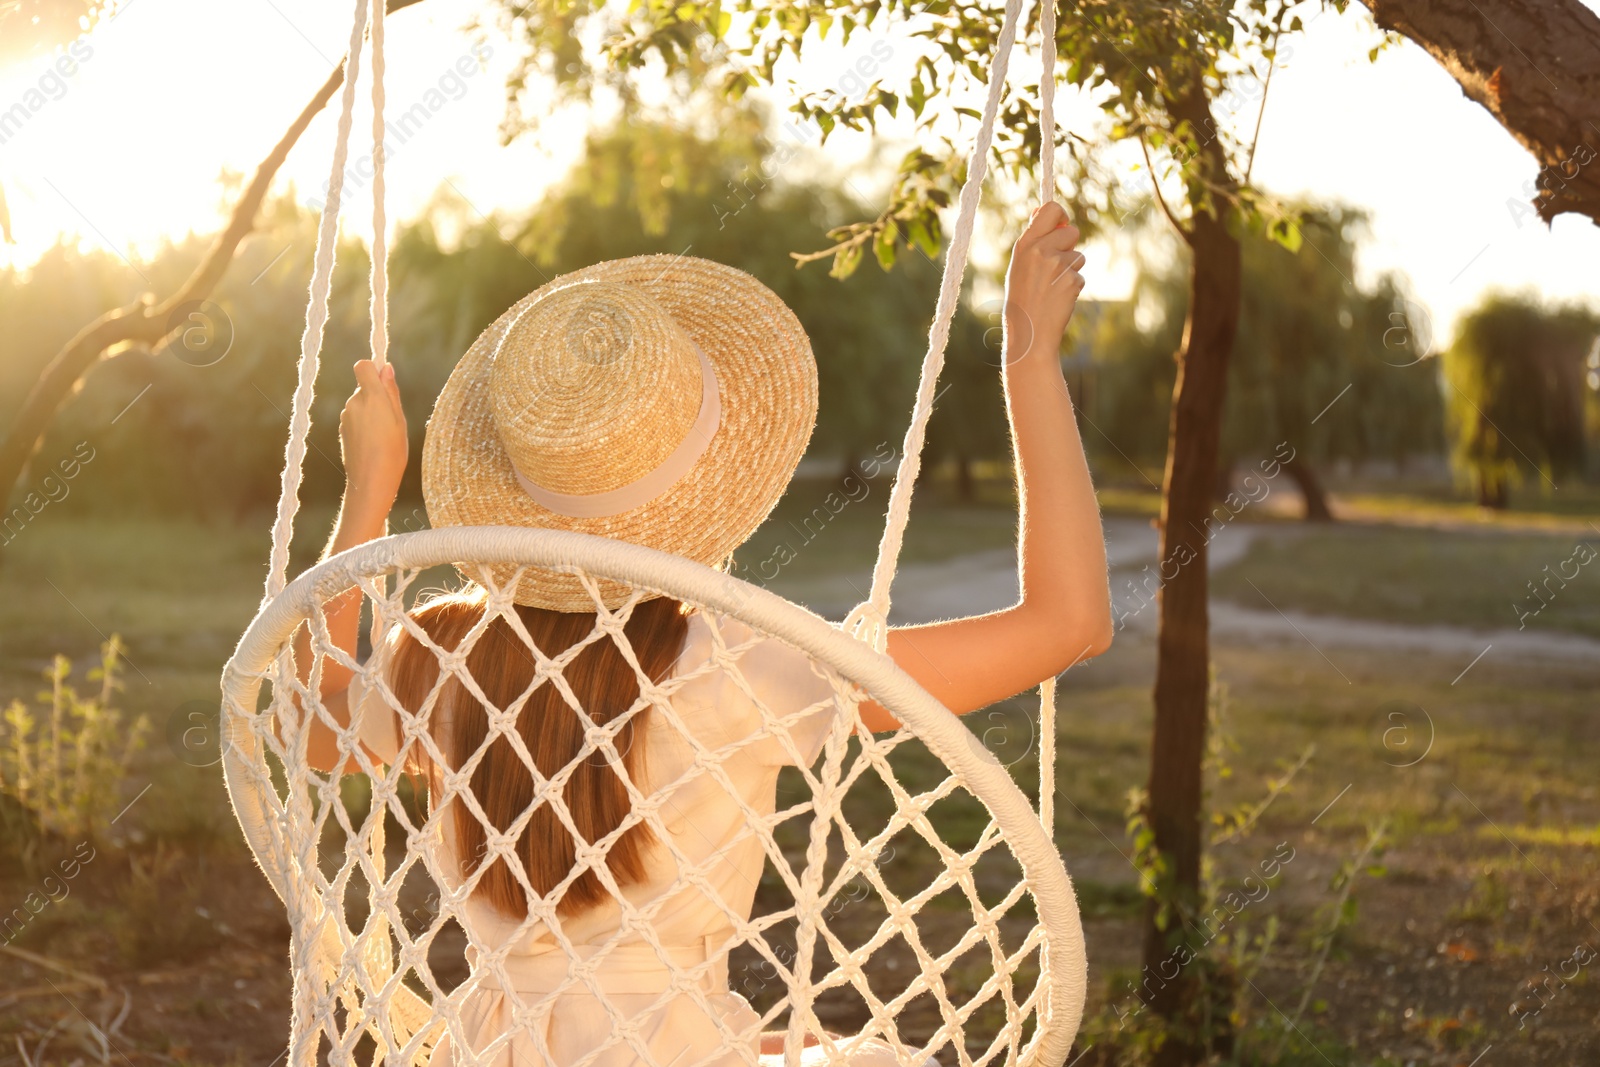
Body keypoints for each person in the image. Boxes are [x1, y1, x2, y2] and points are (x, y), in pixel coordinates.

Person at [296, 201, 1112, 1067]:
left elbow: (311, 721)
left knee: (791, 1041)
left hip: (495, 1052)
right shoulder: (737, 666)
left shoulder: (437, 660)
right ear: (708, 491)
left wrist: (368, 497)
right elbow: (1071, 623)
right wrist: (1030, 364)